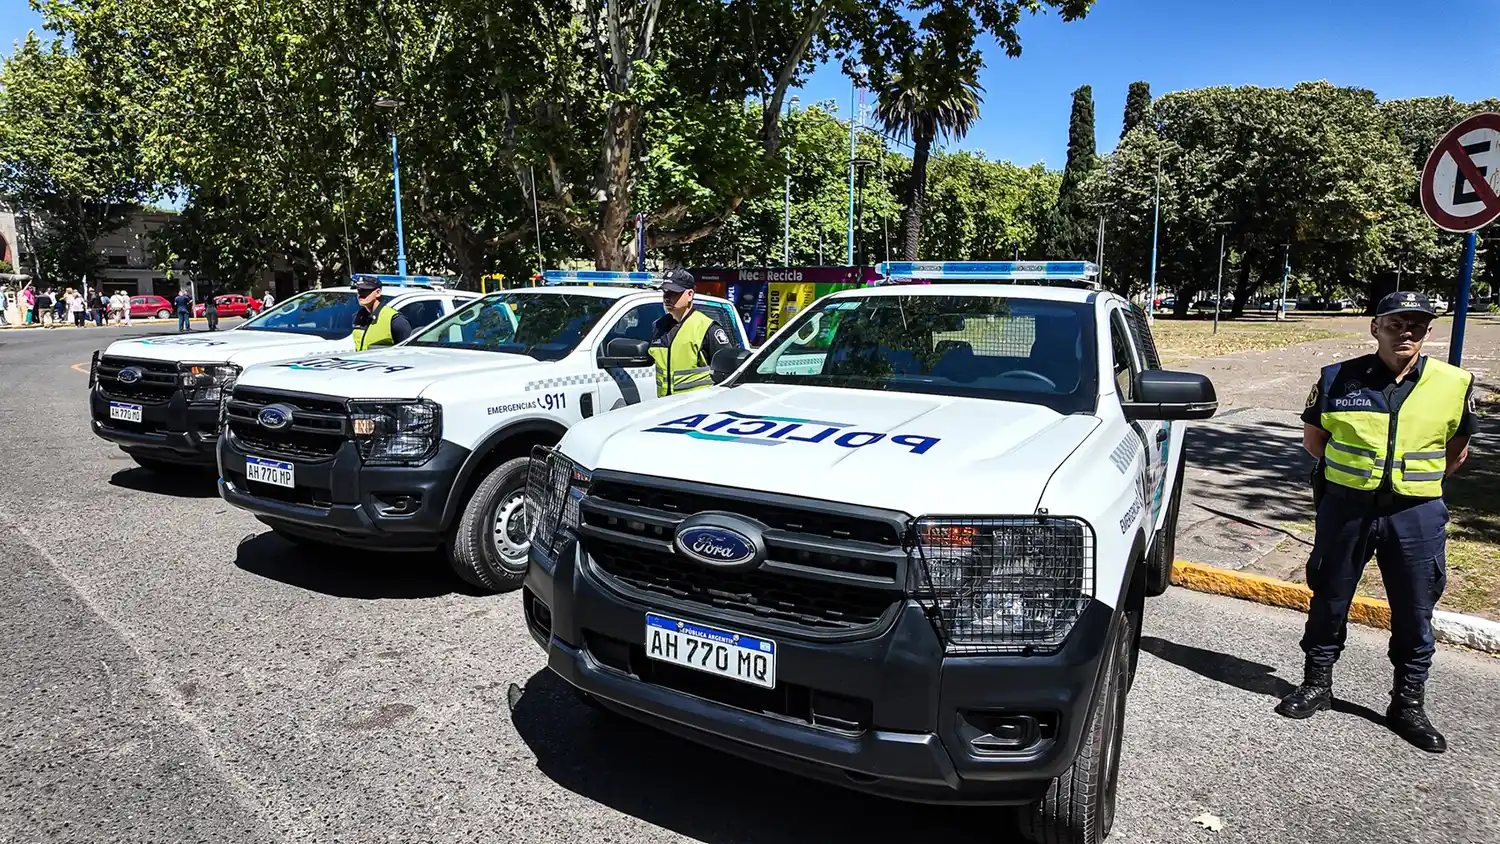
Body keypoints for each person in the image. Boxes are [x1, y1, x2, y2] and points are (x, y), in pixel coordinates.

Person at [1277, 291, 1479, 754]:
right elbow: (1314, 441)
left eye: (1416, 325)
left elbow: (1457, 452)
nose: (1405, 332)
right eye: (1395, 324)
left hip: (1415, 514)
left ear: (1427, 331)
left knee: (1415, 609)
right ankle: (1317, 683)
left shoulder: (1454, 382)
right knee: (1330, 597)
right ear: (1375, 328)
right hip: (1348, 508)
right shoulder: (1337, 377)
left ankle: (1407, 704)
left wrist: (1411, 483)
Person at [647, 268, 734, 397]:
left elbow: (729, 372)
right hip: (665, 404)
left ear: (690, 295)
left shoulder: (707, 328)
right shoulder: (659, 326)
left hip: (698, 404)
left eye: (674, 293)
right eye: (665, 292)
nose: (667, 297)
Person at [351, 277, 411, 350]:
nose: (360, 294)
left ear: (378, 292)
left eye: (365, 290)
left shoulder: (395, 320)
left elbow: (408, 350)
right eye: (358, 290)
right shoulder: (358, 317)